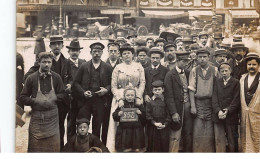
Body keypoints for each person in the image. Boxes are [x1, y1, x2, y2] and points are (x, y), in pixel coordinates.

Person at [23, 35, 73, 149]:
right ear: (50, 45)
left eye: (59, 44)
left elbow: (71, 77)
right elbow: (27, 77)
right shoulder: (43, 60)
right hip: (43, 102)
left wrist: (70, 84)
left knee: (60, 128)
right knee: (42, 130)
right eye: (54, 44)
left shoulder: (66, 62)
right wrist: (39, 78)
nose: (56, 46)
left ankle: (58, 150)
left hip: (61, 101)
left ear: (62, 46)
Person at [19, 52, 66, 152]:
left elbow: (63, 94)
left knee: (53, 148)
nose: (47, 64)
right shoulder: (31, 78)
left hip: (53, 119)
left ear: (52, 63)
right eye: (44, 62)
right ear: (39, 62)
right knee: (35, 148)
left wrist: (54, 98)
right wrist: (35, 101)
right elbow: (22, 97)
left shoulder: (56, 77)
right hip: (37, 118)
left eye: (49, 62)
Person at [106, 43, 146, 152]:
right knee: (119, 121)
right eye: (124, 53)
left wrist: (138, 96)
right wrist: (119, 99)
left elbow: (142, 83)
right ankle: (119, 147)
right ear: (121, 55)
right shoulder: (118, 68)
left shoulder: (139, 66)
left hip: (135, 96)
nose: (126, 55)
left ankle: (136, 146)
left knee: (137, 120)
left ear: (132, 54)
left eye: (128, 53)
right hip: (120, 96)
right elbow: (113, 86)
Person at [72, 42, 113, 140]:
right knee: (82, 123)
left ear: (102, 53)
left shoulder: (107, 67)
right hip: (86, 100)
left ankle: (96, 146)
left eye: (99, 51)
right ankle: (82, 146)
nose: (97, 54)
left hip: (100, 100)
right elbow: (76, 83)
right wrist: (83, 92)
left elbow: (113, 83)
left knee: (97, 125)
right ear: (91, 52)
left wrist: (106, 90)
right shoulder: (84, 66)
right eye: (94, 51)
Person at [188, 48, 219, 152]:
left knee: (210, 130)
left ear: (208, 58)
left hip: (211, 103)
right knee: (198, 130)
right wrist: (193, 106)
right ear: (197, 58)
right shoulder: (194, 70)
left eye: (204, 57)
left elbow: (217, 88)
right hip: (199, 103)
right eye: (200, 57)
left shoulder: (215, 70)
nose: (202, 59)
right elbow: (191, 89)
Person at [164, 50, 193, 152]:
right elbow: (169, 96)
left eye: (186, 61)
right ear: (177, 61)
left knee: (188, 133)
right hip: (177, 108)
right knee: (175, 133)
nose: (185, 64)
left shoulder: (189, 73)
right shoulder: (170, 75)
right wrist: (173, 112)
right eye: (183, 61)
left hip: (188, 106)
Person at [212, 62, 240, 152]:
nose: (224, 73)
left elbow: (236, 99)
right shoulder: (217, 82)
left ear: (230, 71)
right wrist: (218, 111)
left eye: (226, 71)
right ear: (219, 72)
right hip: (218, 115)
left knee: (231, 139)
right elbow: (214, 98)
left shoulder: (236, 82)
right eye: (222, 71)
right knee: (219, 139)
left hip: (230, 116)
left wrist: (228, 110)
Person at [112, 86, 146, 152]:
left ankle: (137, 146)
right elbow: (114, 115)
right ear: (124, 96)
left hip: (136, 127)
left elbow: (144, 117)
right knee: (126, 146)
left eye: (132, 95)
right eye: (128, 95)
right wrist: (119, 113)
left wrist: (140, 113)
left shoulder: (138, 104)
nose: (130, 97)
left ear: (135, 96)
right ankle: (126, 147)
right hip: (125, 128)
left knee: (136, 146)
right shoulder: (122, 104)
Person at [239, 52, 260, 152]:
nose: (251, 66)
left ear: (258, 65)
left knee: (256, 137)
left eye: (254, 64)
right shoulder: (242, 78)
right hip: (245, 113)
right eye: (249, 64)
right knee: (244, 136)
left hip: (257, 114)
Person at [66, 39, 86, 139]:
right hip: (71, 98)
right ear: (68, 52)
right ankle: (70, 144)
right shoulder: (65, 64)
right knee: (71, 122)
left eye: (76, 50)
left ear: (79, 52)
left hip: (82, 97)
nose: (74, 52)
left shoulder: (84, 63)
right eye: (72, 50)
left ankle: (81, 142)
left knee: (83, 121)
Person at [146, 80, 171, 152]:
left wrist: (165, 124)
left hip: (164, 127)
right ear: (152, 90)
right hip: (152, 127)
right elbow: (148, 115)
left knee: (164, 144)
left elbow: (169, 115)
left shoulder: (166, 101)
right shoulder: (149, 102)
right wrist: (154, 123)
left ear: (163, 90)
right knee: (153, 144)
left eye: (159, 89)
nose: (157, 91)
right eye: (155, 90)